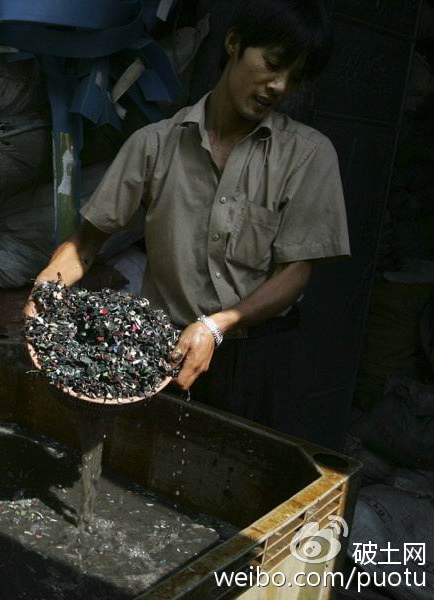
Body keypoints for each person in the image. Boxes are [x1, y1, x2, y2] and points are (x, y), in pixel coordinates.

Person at [25, 0, 350, 434]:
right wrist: (44, 292)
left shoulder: (308, 154)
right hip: (167, 353)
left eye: (294, 77)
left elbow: (296, 273)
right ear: (233, 43)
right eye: (273, 64)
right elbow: (85, 244)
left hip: (258, 359)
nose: (279, 85)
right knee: (145, 469)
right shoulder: (153, 145)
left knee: (249, 470)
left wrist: (217, 326)